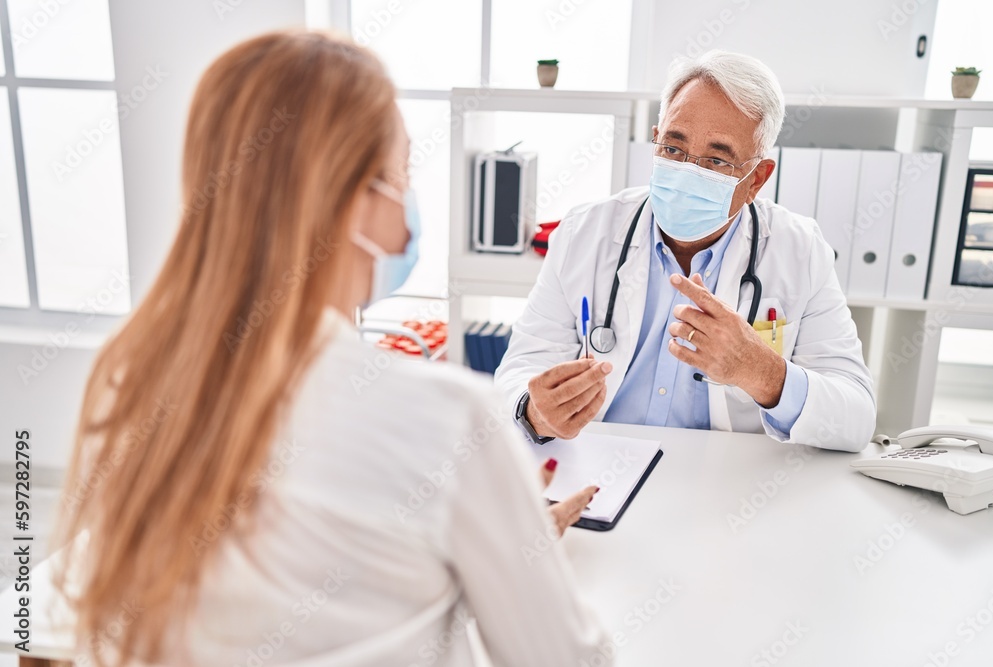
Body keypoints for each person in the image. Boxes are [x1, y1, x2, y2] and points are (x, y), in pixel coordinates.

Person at [51, 31, 606, 667]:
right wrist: (509, 555)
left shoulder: (127, 378)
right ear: (351, 202)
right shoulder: (446, 418)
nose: (408, 216)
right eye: (403, 177)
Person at [495, 50, 876, 453]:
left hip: (725, 486)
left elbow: (855, 418)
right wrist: (534, 411)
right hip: (599, 465)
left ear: (756, 180)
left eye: (716, 159)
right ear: (656, 141)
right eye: (673, 150)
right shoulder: (583, 233)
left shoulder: (801, 251)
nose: (687, 172)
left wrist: (761, 371)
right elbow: (521, 368)